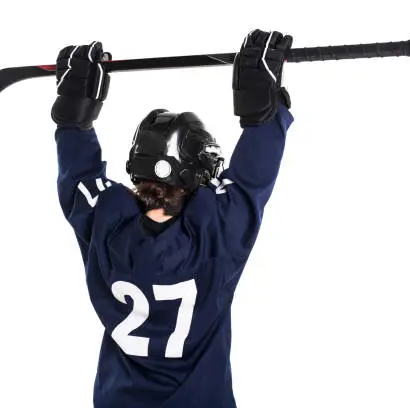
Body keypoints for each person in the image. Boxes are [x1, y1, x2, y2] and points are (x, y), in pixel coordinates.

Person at [51, 29, 294, 408]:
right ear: (195, 173)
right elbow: (251, 178)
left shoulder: (105, 220)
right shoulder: (215, 232)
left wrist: (73, 114)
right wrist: (266, 105)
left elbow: (79, 178)